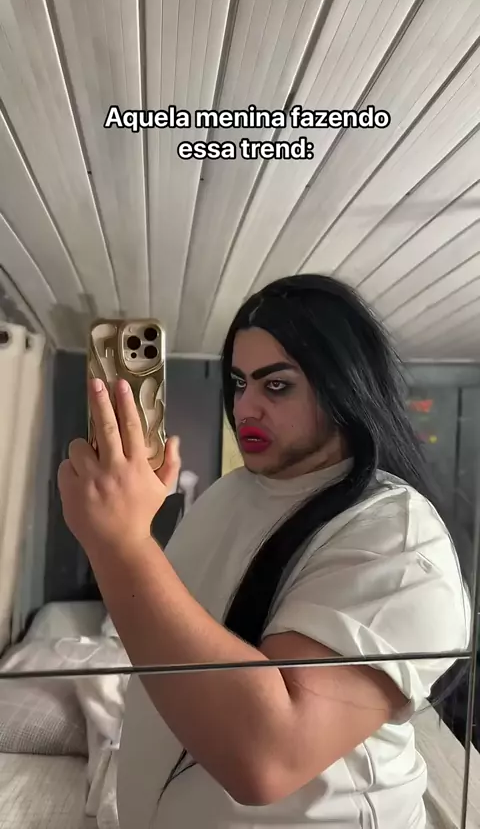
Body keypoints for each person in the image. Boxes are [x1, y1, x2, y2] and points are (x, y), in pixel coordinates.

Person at [58, 274, 471, 829]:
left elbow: (267, 756)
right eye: (238, 382)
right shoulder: (228, 493)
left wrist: (119, 544)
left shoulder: (396, 534)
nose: (245, 406)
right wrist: (125, 534)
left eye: (276, 386)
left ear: (343, 386)